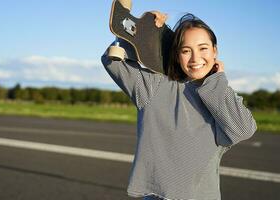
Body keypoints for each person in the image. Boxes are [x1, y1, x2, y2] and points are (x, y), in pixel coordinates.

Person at [101, 12, 257, 200]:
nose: (195, 58)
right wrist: (141, 32)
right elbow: (112, 60)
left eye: (203, 48)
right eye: (185, 50)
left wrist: (216, 81)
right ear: (176, 54)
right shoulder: (154, 87)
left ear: (215, 51)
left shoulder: (220, 96)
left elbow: (243, 129)